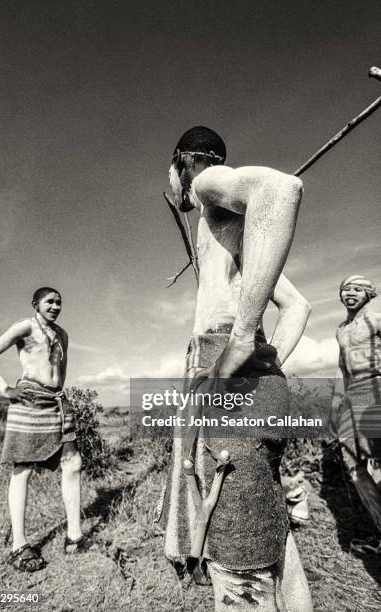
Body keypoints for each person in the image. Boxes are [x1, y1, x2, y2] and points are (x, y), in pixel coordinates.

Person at [161, 126, 313, 611]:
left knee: (236, 539)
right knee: (265, 520)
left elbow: (280, 188)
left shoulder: (207, 184)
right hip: (244, 373)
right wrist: (267, 365)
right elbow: (298, 307)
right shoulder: (230, 230)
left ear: (182, 162)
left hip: (225, 359)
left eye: (171, 170)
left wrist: (243, 338)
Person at [0, 287, 89, 572]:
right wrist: (5, 389)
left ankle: (75, 537)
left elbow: (59, 373)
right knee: (23, 470)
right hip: (28, 400)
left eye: (59, 302)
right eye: (49, 301)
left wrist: (59, 396)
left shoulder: (62, 335)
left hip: (56, 403)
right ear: (36, 304)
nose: (55, 306)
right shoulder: (25, 326)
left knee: (73, 463)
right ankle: (19, 545)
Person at [332, 274, 381, 555]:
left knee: (378, 459)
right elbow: (341, 367)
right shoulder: (341, 329)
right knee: (354, 466)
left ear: (368, 293)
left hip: (376, 386)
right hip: (352, 396)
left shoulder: (376, 319)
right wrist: (335, 402)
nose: (350, 293)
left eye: (357, 288)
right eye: (346, 288)